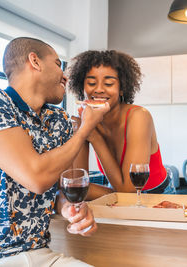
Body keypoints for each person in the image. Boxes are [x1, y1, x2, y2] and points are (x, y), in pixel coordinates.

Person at [0, 37, 110, 266]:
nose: (65, 76)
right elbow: (36, 178)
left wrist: (68, 207)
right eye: (58, 64)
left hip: (41, 253)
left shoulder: (59, 120)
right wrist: (86, 127)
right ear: (34, 61)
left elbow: (58, 187)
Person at [67, 50, 175, 196]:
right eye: (91, 83)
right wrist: (81, 130)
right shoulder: (86, 120)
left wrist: (94, 136)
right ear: (82, 88)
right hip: (118, 192)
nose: (98, 89)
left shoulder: (139, 117)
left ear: (122, 88)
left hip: (156, 195)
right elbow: (77, 184)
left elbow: (128, 190)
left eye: (109, 83)